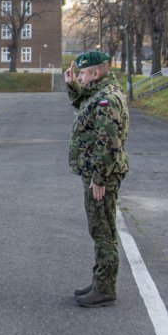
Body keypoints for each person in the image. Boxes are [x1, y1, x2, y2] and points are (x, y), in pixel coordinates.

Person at [64, 51, 129, 308]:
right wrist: (72, 87)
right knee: (100, 228)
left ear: (95, 73)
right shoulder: (99, 94)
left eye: (81, 74)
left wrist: (99, 178)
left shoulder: (107, 99)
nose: (79, 77)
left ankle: (104, 289)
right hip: (95, 172)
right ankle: (101, 281)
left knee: (103, 230)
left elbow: (107, 142)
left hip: (101, 175)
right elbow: (84, 107)